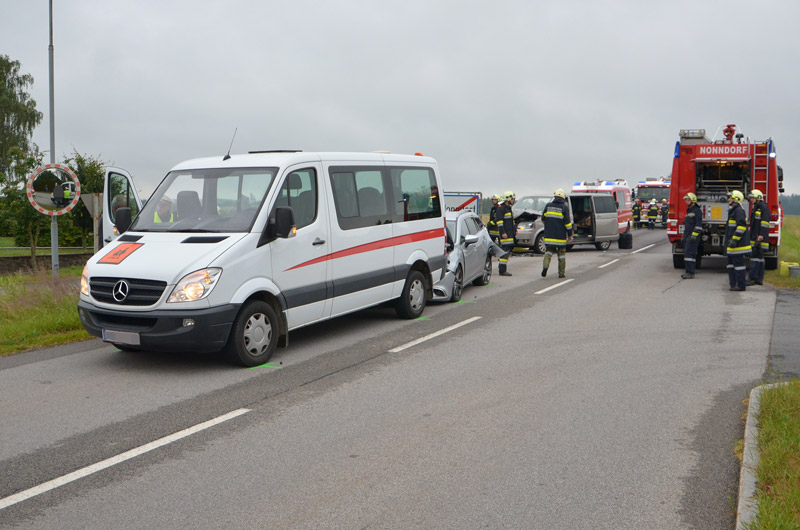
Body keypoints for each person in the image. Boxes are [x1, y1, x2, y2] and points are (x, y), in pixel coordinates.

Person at [541, 189, 573, 278]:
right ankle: (561, 274)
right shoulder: (564, 208)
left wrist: (548, 226)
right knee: (561, 255)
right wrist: (570, 234)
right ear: (563, 198)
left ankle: (545, 267)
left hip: (549, 235)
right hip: (560, 237)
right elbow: (568, 224)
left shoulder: (548, 206)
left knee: (548, 252)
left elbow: (543, 219)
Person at [725, 190, 751, 291]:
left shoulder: (739, 211)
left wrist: (734, 240)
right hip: (733, 246)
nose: (729, 199)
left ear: (736, 199)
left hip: (738, 246)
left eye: (730, 197)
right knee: (730, 265)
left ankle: (741, 285)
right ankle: (733, 284)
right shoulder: (733, 210)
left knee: (739, 265)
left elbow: (741, 227)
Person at [747, 189, 770, 286]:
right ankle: (759, 279)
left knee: (755, 258)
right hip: (756, 236)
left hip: (759, 238)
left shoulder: (763, 208)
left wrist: (761, 235)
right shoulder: (757, 207)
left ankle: (752, 278)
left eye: (753, 197)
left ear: (758, 198)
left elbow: (764, 223)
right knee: (759, 258)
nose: (751, 199)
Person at [680, 192, 703, 279]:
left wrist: (694, 236)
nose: (686, 201)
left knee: (689, 254)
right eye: (686, 199)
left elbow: (698, 225)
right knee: (688, 254)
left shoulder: (697, 211)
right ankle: (689, 271)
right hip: (688, 235)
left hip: (692, 236)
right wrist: (684, 236)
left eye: (688, 199)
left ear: (693, 200)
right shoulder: (689, 210)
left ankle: (690, 272)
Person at [495, 190, 516, 276]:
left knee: (507, 251)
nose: (513, 200)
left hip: (510, 234)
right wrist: (503, 233)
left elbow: (511, 221)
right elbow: (500, 223)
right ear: (508, 199)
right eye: (512, 199)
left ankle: (503, 268)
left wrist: (515, 230)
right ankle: (502, 270)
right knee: (505, 251)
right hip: (505, 234)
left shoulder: (508, 208)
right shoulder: (501, 209)